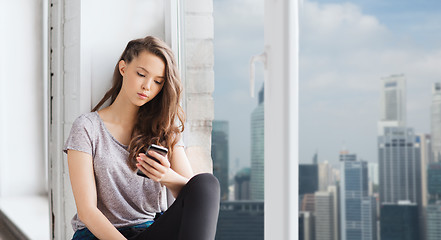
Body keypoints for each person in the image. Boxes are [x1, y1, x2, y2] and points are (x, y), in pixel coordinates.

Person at [63, 36, 220, 240]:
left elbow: (193, 195)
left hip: (148, 231)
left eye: (157, 82)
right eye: (141, 74)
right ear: (123, 68)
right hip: (99, 236)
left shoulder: (164, 129)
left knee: (207, 184)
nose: (147, 86)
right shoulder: (87, 127)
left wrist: (166, 177)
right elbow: (87, 212)